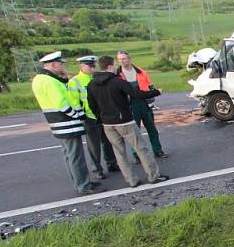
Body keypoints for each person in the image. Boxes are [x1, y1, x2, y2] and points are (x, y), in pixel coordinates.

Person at [87, 56, 170, 188]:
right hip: (124, 121)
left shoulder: (91, 84)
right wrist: (156, 92)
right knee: (142, 149)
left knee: (119, 153)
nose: (115, 67)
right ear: (109, 67)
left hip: (107, 123)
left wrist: (101, 118)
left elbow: (92, 105)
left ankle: (131, 180)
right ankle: (153, 175)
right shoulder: (117, 82)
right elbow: (137, 94)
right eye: (114, 65)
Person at [31, 51, 101, 195]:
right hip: (66, 123)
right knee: (76, 156)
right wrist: (76, 115)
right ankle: (84, 186)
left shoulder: (41, 78)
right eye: (60, 64)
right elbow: (61, 104)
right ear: (53, 64)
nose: (62, 66)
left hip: (58, 123)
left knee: (69, 155)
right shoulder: (48, 80)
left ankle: (80, 181)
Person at [67, 55, 118, 179]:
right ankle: (97, 169)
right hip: (89, 117)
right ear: (82, 66)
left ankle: (111, 163)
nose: (93, 68)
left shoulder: (97, 77)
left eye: (94, 66)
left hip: (103, 115)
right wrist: (82, 115)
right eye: (90, 66)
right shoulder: (75, 81)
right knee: (94, 145)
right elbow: (73, 101)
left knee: (108, 142)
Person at [116, 50, 167, 158]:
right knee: (134, 132)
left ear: (129, 59)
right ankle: (136, 155)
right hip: (130, 105)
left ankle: (158, 150)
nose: (122, 61)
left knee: (152, 129)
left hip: (144, 103)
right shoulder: (117, 74)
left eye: (124, 58)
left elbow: (150, 86)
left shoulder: (140, 71)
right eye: (119, 59)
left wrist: (152, 99)